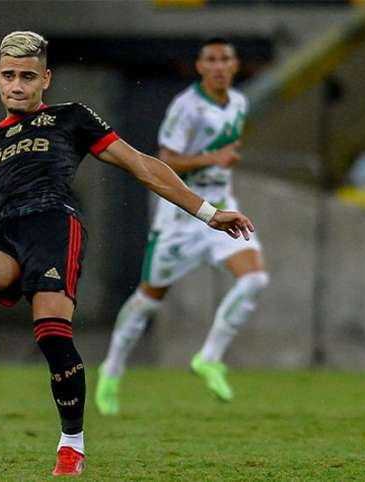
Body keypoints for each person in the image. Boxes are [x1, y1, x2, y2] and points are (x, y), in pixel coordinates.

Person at [0, 31, 254, 477]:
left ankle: (71, 445)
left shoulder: (71, 118)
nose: (18, 85)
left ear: (45, 79)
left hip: (52, 225)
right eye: (10, 76)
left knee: (52, 337)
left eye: (28, 77)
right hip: (0, 236)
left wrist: (207, 212)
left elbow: (142, 165)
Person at [96, 38, 270, 415]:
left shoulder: (239, 103)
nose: (220, 65)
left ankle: (209, 357)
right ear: (201, 67)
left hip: (225, 207)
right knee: (148, 299)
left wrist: (220, 166)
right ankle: (111, 369)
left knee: (255, 278)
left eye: (226, 59)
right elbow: (166, 160)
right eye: (212, 59)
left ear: (236, 65)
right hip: (181, 217)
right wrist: (214, 158)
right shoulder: (186, 107)